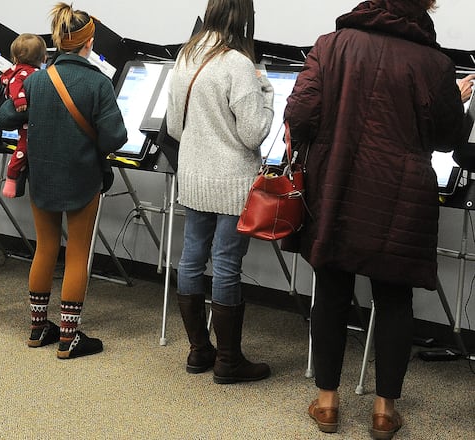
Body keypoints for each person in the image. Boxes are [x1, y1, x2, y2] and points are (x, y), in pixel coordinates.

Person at [283, 1, 468, 438]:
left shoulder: (331, 45)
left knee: (330, 290)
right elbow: (447, 139)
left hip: (337, 185)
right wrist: (457, 102)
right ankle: (385, 412)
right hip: (402, 195)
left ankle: (327, 403)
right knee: (395, 299)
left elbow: (299, 114)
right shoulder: (436, 63)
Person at [0, 3, 127, 359]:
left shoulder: (37, 80)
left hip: (42, 176)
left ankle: (38, 328)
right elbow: (115, 136)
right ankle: (70, 337)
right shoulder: (97, 82)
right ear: (89, 42)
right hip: (83, 178)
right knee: (78, 253)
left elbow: (5, 117)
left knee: (45, 248)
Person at [165, 0, 274, 383]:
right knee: (227, 263)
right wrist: (268, 96)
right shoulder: (239, 65)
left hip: (194, 176)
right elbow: (253, 133)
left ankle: (199, 351)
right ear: (244, 18)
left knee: (192, 258)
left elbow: (175, 127)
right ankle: (229, 361)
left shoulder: (187, 55)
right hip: (231, 183)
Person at [0, 33, 47, 199]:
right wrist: (20, 102)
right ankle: (11, 177)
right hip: (26, 120)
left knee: (24, 147)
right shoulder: (27, 73)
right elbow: (15, 87)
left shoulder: (18, 70)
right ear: (44, 57)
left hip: (29, 121)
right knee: (23, 148)